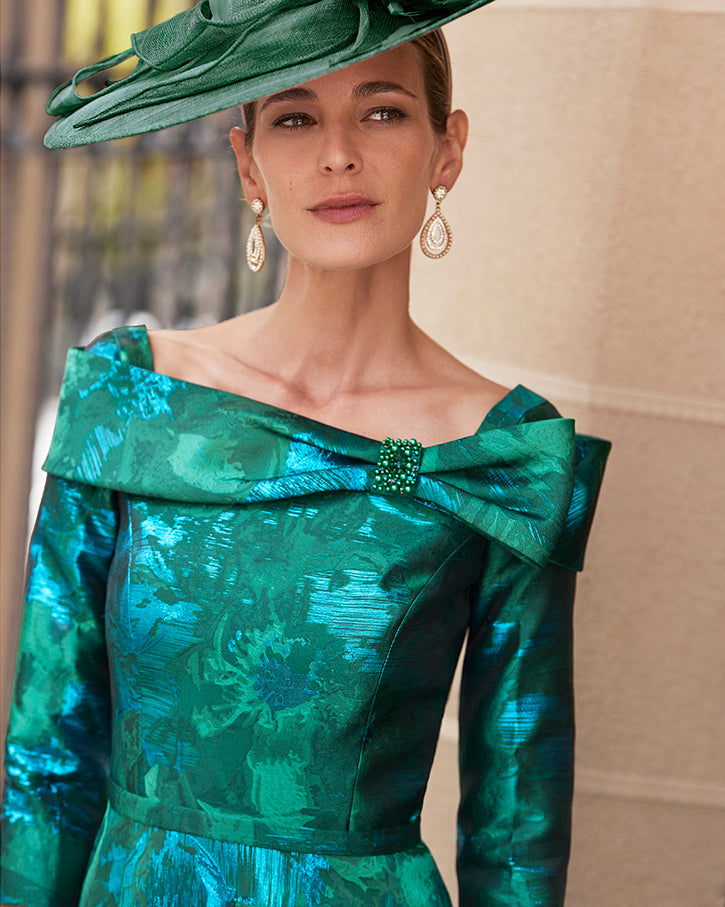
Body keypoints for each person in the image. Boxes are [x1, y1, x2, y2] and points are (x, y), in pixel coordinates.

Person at [0, 1, 611, 905]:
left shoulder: (498, 451)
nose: (338, 155)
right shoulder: (135, 396)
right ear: (247, 162)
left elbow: (516, 832)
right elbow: (46, 764)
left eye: (381, 111)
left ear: (446, 149)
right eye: (294, 118)